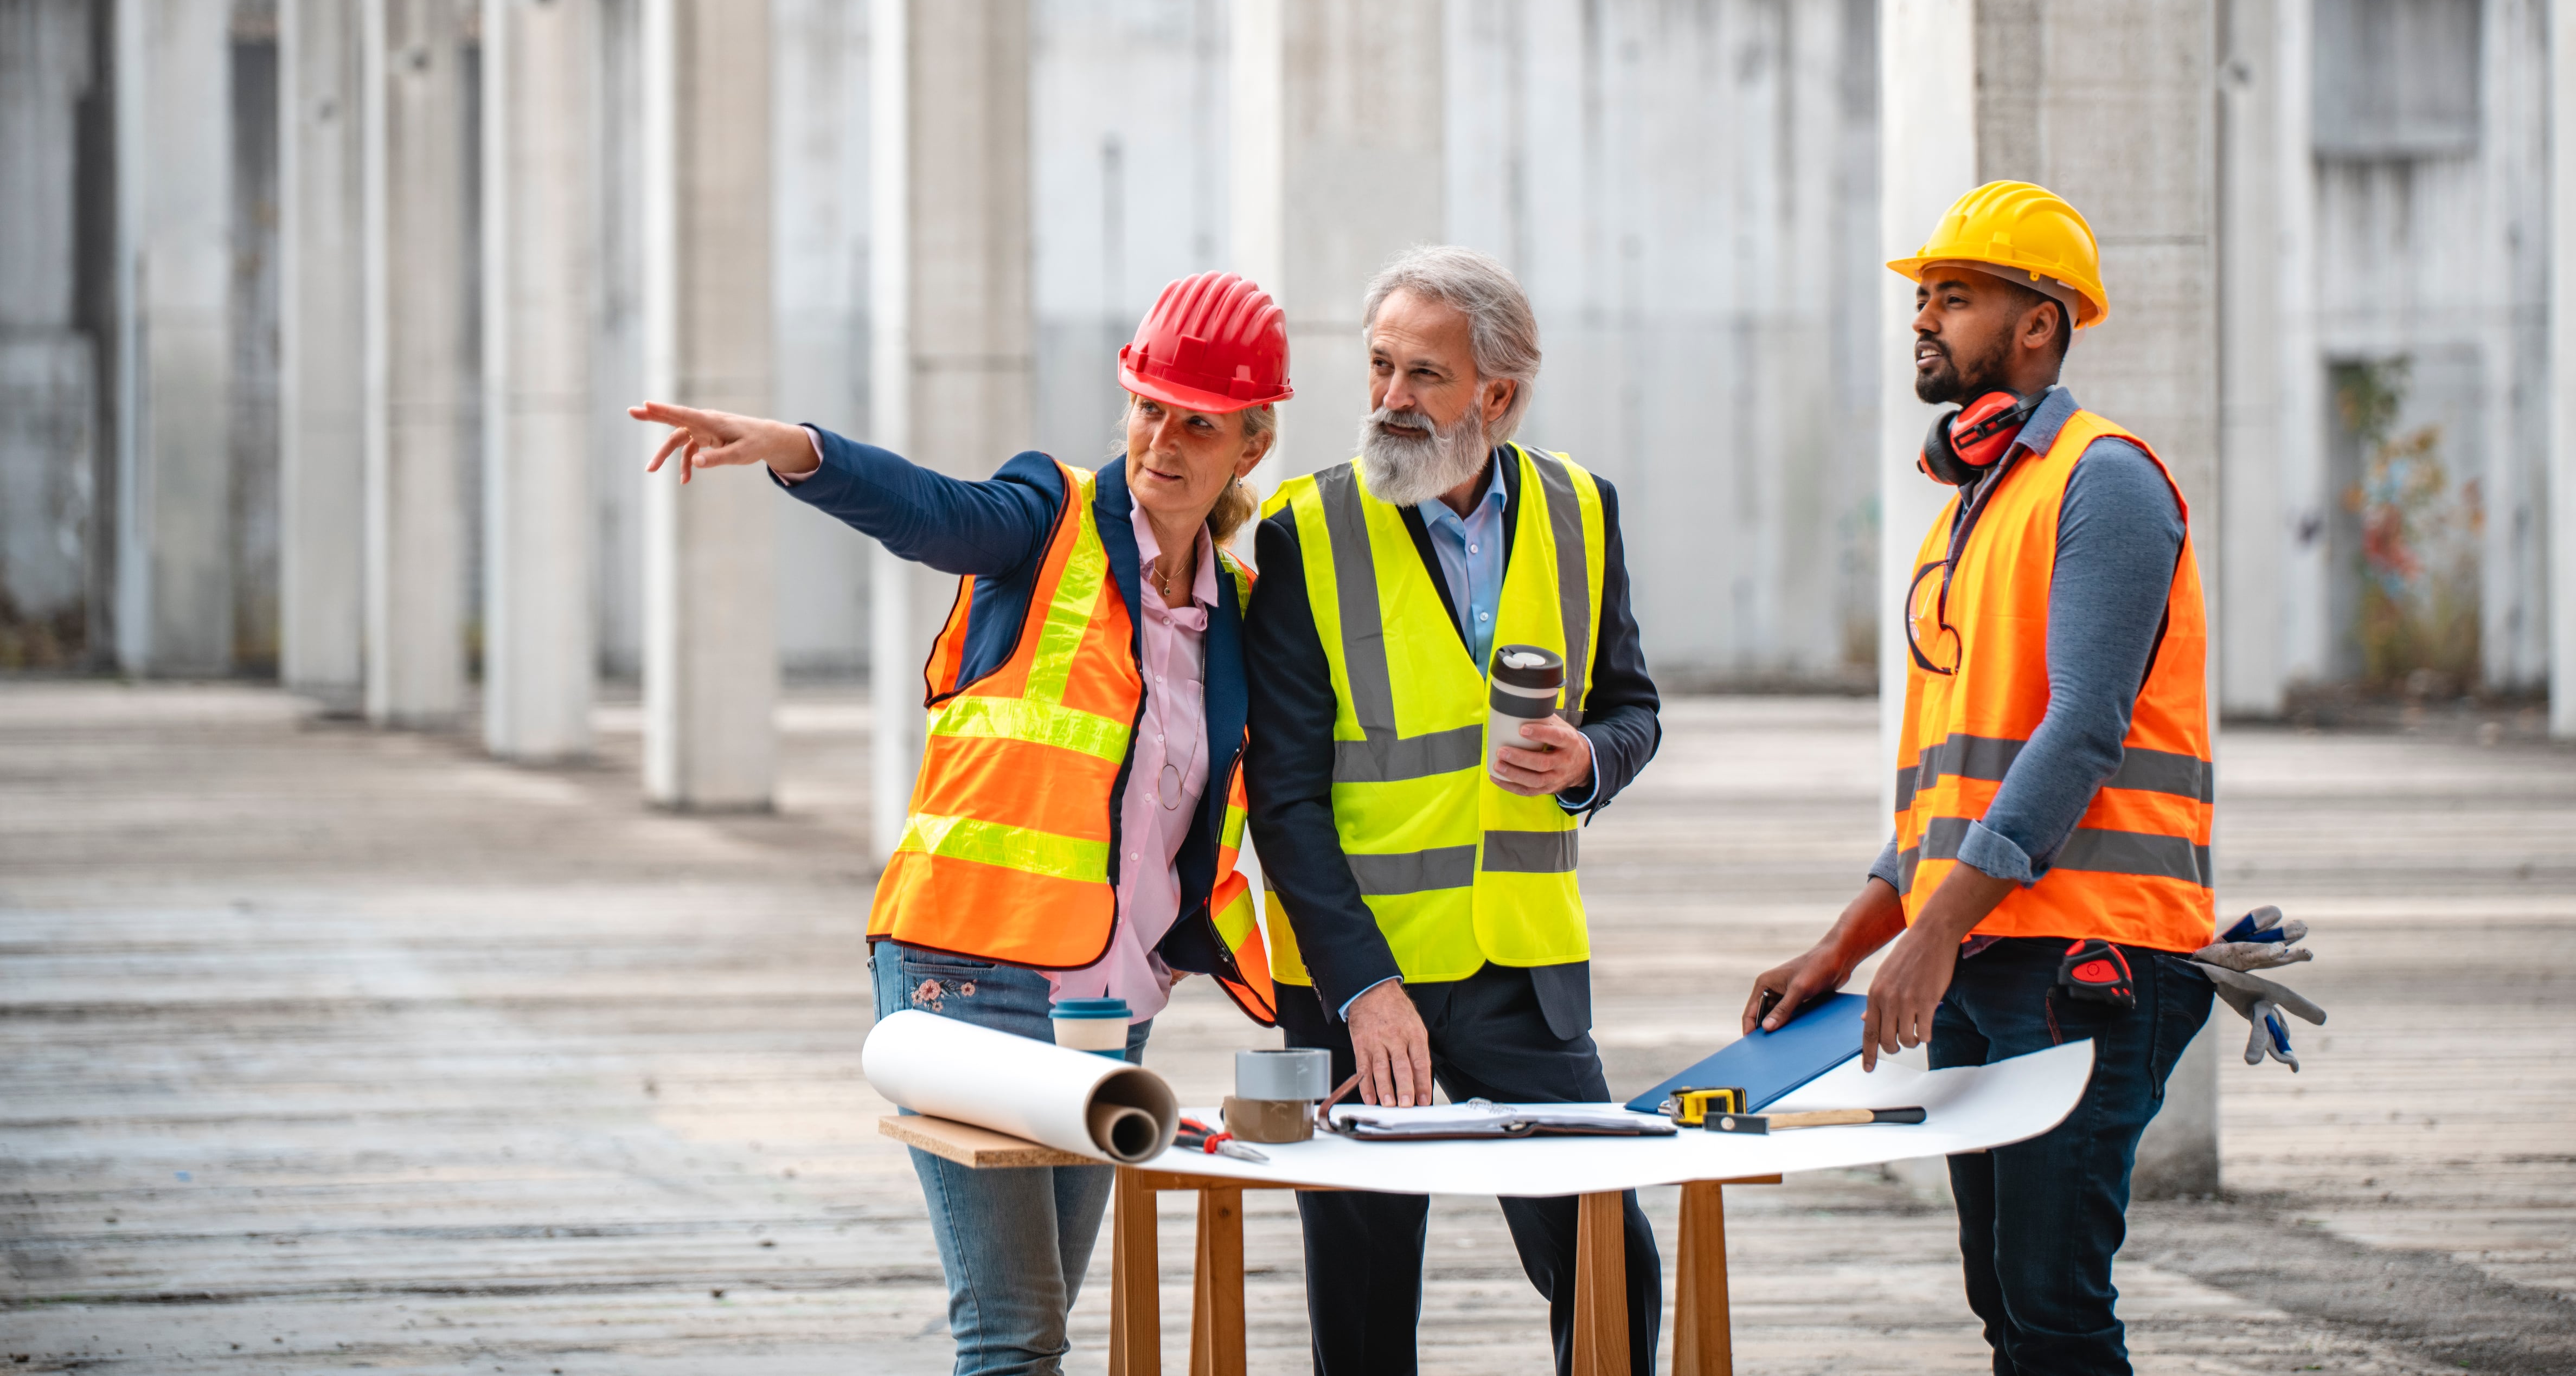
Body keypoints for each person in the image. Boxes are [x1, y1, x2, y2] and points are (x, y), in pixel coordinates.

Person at [630, 271, 1290, 1376]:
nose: (1162, 440)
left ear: (1251, 444)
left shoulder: (1238, 610)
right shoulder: (1049, 518)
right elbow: (938, 512)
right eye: (1149, 407)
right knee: (1012, 1333)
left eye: (1199, 422)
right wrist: (803, 451)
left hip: (1107, 1003)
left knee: (1045, 1326)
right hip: (963, 975)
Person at [1744, 181, 2214, 1376]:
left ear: (2038, 324)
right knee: (2004, 1300)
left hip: (2087, 958)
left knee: (2055, 1310)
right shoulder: (1971, 508)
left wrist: (1935, 930)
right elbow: (1943, 789)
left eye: (1953, 297)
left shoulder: (2104, 481)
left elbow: (2083, 730)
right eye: (1923, 297)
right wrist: (1845, 944)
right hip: (1987, 954)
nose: (1922, 319)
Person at [1244, 245, 1665, 1376]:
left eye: (1424, 374)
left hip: (1522, 971)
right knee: (1366, 1299)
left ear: (1498, 394)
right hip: (1358, 979)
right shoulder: (1303, 530)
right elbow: (1283, 799)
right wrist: (1362, 989)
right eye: (1380, 364)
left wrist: (1588, 758)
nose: (1390, 396)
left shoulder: (1581, 511)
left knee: (1609, 1260)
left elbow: (1632, 708)